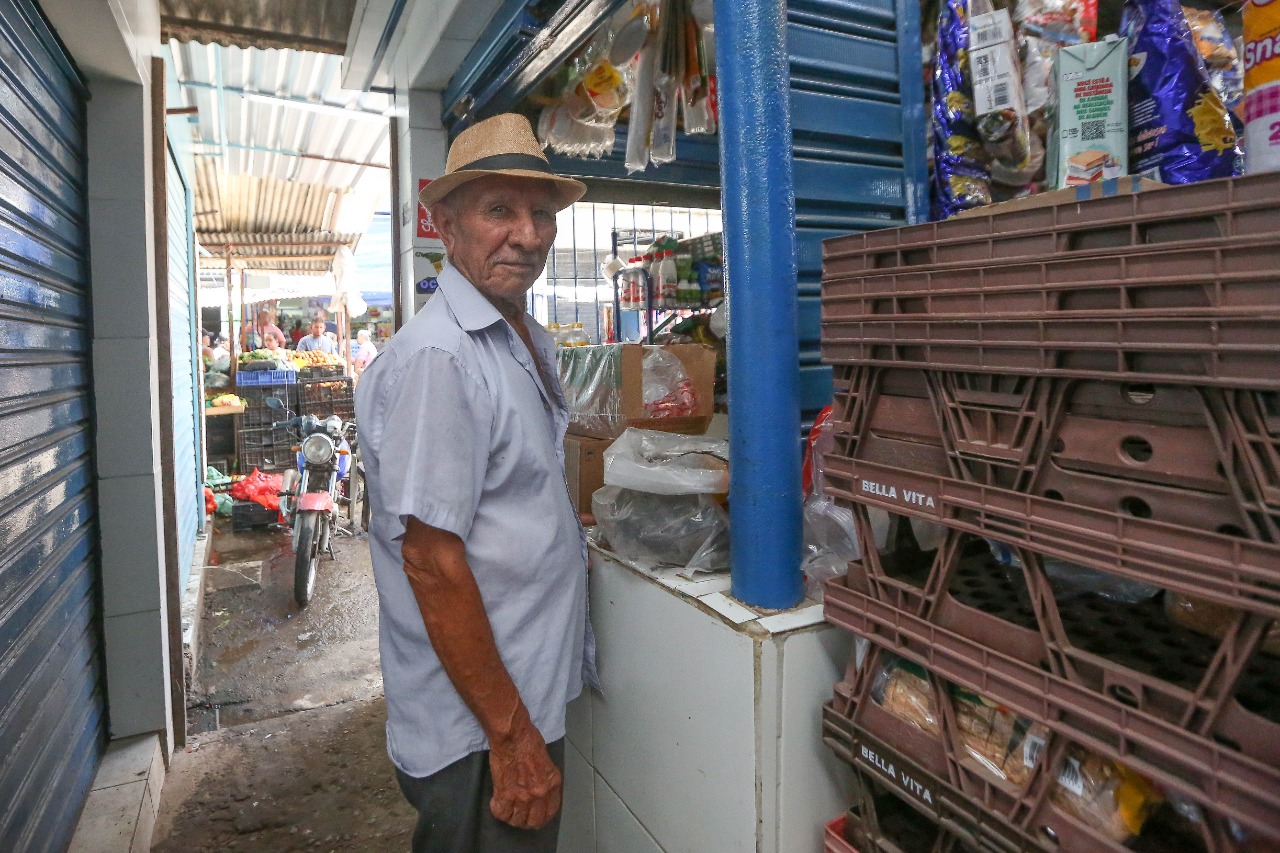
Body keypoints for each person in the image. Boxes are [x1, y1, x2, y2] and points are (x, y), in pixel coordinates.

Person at [355, 113, 592, 853]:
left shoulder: (514, 336)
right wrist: (512, 737)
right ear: (445, 226)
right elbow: (431, 560)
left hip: (514, 694)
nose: (527, 235)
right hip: (481, 727)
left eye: (542, 214)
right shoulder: (445, 358)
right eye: (499, 210)